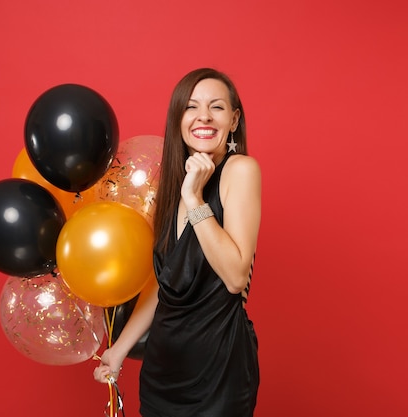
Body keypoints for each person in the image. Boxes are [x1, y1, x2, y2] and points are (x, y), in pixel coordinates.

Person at [94, 67, 261, 417]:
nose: (203, 116)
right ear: (178, 120)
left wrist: (195, 198)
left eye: (216, 107)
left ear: (233, 120)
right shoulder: (172, 186)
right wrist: (119, 350)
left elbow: (234, 276)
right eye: (191, 107)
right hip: (163, 371)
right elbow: (166, 284)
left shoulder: (240, 170)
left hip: (219, 371)